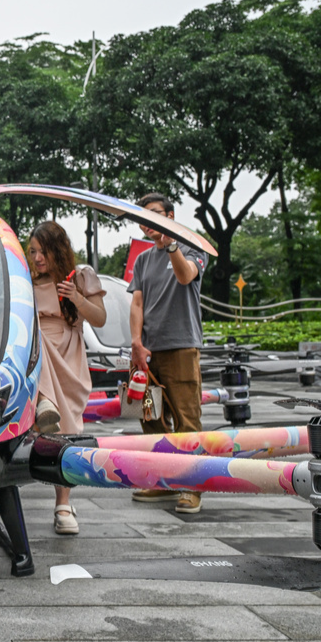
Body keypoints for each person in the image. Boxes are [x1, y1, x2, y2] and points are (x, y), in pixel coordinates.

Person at [128, 193, 207, 513]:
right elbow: (136, 303)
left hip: (181, 347)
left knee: (187, 419)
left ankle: (192, 486)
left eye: (154, 216)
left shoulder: (192, 246)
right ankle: (163, 481)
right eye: (143, 219)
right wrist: (135, 341)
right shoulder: (143, 259)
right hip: (148, 351)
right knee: (151, 418)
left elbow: (185, 275)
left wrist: (172, 243)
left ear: (170, 215)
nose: (148, 224)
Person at [27, 221, 106, 534]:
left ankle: (63, 504)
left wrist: (75, 296)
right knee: (36, 341)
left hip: (69, 352)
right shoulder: (25, 280)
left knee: (68, 429)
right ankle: (43, 400)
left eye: (41, 250)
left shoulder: (81, 276)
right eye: (31, 251)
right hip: (36, 349)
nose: (36, 257)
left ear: (56, 249)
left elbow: (99, 318)